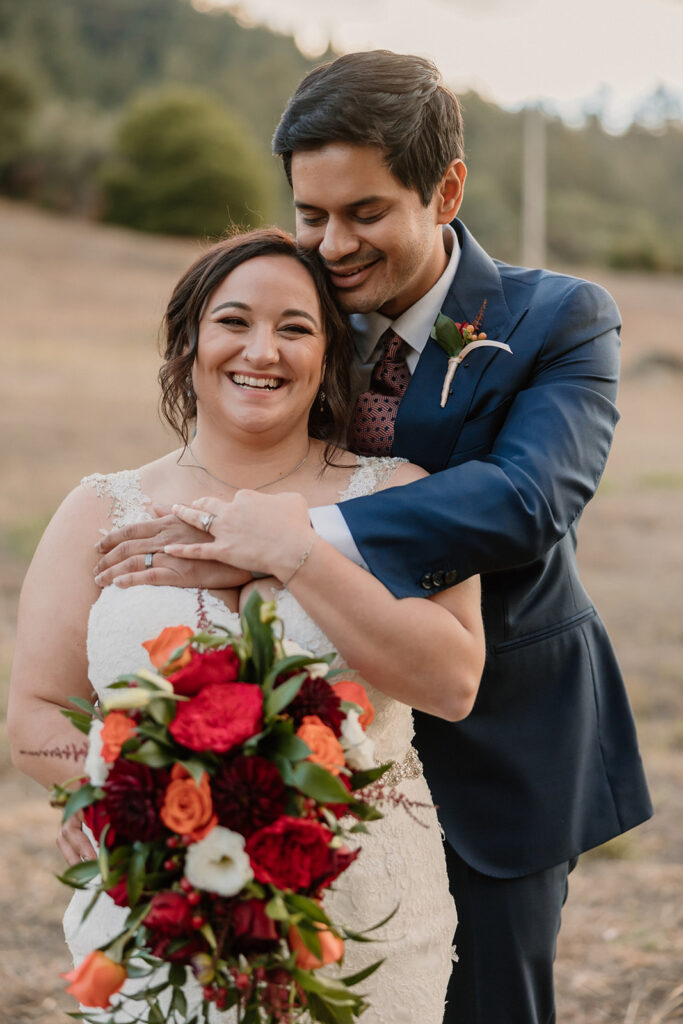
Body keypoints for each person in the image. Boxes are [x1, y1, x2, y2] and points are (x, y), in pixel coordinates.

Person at [89, 52, 653, 1023]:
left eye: (363, 214)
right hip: (308, 736)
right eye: (310, 214)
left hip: (499, 735)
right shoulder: (298, 314)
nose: (330, 242)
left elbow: (528, 499)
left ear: (446, 189)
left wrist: (298, 533)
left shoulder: (561, 317)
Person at [9, 228, 484, 1023]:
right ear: (189, 341)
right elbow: (33, 719)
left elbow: (453, 684)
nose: (261, 351)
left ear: (330, 354)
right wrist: (108, 795)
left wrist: (295, 555)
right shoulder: (98, 509)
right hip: (157, 908)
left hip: (366, 907)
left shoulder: (403, 495)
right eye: (233, 321)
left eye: (294, 328)